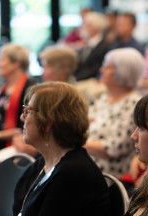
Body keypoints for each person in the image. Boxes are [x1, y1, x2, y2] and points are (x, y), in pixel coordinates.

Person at [13, 82, 111, 215]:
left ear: (48, 122)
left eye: (28, 111)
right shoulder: (42, 163)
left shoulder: (74, 174)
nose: (22, 117)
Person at [85, 48, 143, 177]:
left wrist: (75, 142)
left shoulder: (135, 104)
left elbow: (114, 149)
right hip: (88, 169)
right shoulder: (103, 99)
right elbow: (81, 126)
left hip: (110, 178)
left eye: (107, 66)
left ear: (122, 72)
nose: (101, 70)